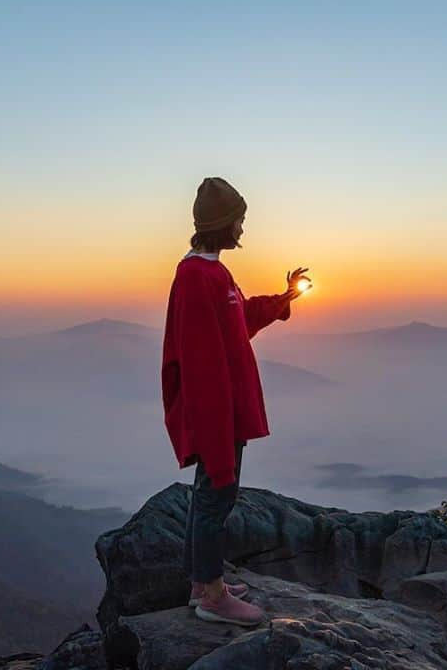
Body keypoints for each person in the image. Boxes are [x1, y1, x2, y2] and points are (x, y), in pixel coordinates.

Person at [160, 177, 310, 626]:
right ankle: (211, 596)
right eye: (239, 220)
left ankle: (202, 582)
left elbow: (237, 316)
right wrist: (215, 433)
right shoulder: (194, 278)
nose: (243, 229)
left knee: (212, 497)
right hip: (215, 414)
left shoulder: (215, 272)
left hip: (228, 412)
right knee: (215, 496)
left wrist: (282, 300)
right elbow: (201, 362)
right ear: (222, 224)